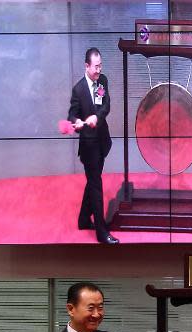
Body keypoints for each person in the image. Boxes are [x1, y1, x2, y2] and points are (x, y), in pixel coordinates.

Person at [69, 47, 119, 244]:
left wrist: (95, 117)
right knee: (96, 185)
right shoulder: (78, 90)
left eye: (101, 66)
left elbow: (106, 105)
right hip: (88, 146)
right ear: (86, 66)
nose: (99, 70)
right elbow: (72, 115)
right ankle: (101, 231)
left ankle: (83, 219)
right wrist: (76, 122)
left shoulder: (102, 80)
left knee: (92, 181)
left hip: (102, 141)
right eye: (96, 67)